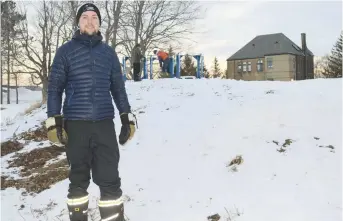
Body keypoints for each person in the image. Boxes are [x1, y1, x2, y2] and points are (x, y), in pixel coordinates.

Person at [45, 3, 136, 221]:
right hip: (76, 125)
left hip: (104, 124)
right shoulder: (65, 52)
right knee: (78, 180)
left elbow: (118, 88)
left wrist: (126, 117)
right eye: (85, 17)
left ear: (99, 23)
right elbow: (55, 87)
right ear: (78, 22)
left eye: (94, 17)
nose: (89, 21)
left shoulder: (108, 54)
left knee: (110, 180)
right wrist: (54, 121)